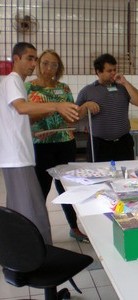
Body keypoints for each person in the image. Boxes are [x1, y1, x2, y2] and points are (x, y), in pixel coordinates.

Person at [0, 42, 79, 244]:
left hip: (24, 154)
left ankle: (26, 251)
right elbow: (21, 108)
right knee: (30, 208)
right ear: (16, 59)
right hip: (18, 155)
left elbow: (20, 114)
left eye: (35, 59)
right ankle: (32, 253)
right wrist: (56, 106)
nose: (34, 64)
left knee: (25, 206)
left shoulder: (16, 81)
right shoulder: (15, 81)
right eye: (30, 58)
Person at [25, 49, 88, 242]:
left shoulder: (64, 88)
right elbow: (26, 118)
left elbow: (72, 117)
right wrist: (51, 111)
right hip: (41, 145)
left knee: (67, 189)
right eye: (45, 63)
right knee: (40, 190)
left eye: (54, 64)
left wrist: (84, 109)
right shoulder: (29, 88)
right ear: (37, 64)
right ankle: (38, 233)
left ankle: (74, 227)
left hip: (65, 143)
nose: (49, 68)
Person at [76, 53, 138, 162]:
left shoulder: (123, 88)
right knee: (100, 177)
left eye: (114, 70)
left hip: (123, 143)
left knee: (125, 176)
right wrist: (85, 105)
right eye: (109, 71)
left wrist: (125, 83)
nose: (113, 73)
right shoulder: (87, 91)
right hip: (99, 144)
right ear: (98, 72)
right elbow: (76, 116)